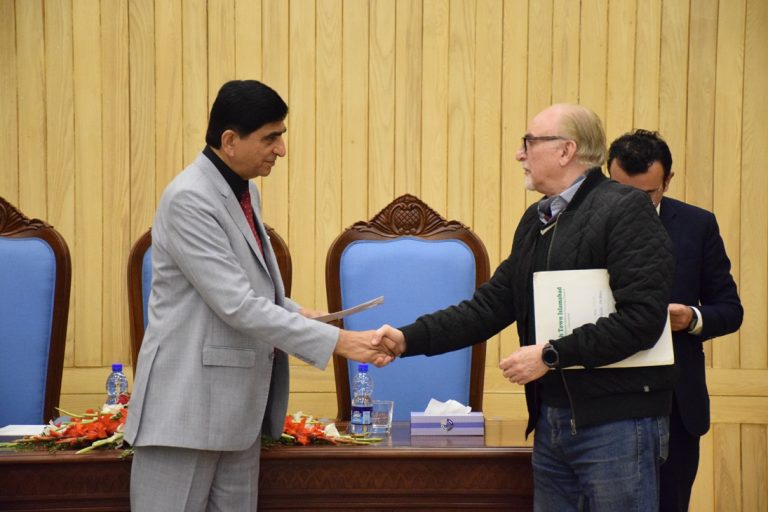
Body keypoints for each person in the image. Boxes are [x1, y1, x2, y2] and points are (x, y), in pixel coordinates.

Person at [375, 104, 676, 511]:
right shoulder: (536, 220)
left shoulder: (626, 208)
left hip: (617, 425)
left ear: (566, 150)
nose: (520, 154)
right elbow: (489, 306)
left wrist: (551, 355)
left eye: (529, 142)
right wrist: (406, 339)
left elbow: (642, 320)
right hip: (553, 419)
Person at [124, 80, 401, 511]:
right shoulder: (188, 199)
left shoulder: (245, 188)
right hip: (185, 412)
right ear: (229, 141)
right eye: (271, 138)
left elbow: (245, 290)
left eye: (281, 136)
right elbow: (236, 305)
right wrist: (342, 342)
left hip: (239, 415)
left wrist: (299, 312)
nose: (281, 150)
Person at [608, 129, 743, 512]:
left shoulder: (697, 226)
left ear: (667, 181)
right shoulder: (585, 224)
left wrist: (691, 319)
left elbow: (729, 309)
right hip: (605, 404)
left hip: (676, 405)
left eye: (647, 194)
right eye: (622, 192)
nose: (633, 204)